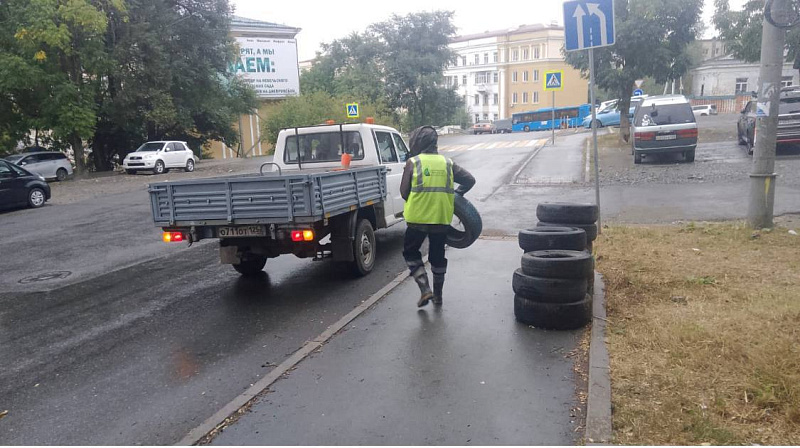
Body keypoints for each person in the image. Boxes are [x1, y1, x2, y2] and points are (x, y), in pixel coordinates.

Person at [400, 126, 476, 308]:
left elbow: (403, 193)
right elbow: (470, 180)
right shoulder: (448, 163)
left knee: (411, 252)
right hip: (440, 219)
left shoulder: (413, 162)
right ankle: (439, 296)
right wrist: (457, 196)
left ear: (417, 142)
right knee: (437, 256)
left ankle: (425, 289)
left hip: (417, 218)